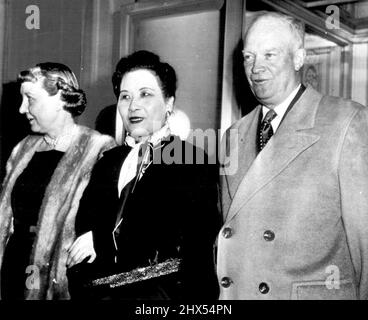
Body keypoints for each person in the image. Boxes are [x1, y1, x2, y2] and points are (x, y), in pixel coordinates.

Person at [217, 11, 368, 300]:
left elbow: (366, 243)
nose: (256, 68)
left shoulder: (347, 122)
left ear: (299, 58)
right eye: (248, 57)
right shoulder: (234, 136)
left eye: (270, 55)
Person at [66, 50, 220, 300]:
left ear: (169, 102)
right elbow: (83, 239)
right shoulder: (108, 162)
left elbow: (184, 258)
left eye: (145, 94)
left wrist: (102, 248)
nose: (133, 106)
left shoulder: (191, 161)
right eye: (125, 97)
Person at [0, 62, 116, 300]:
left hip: (63, 274)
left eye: (30, 99)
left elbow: (111, 222)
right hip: (14, 266)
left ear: (61, 99)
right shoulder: (22, 149)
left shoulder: (98, 150)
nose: (22, 109)